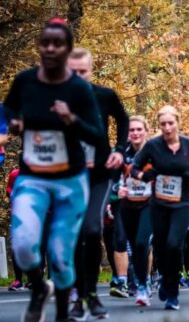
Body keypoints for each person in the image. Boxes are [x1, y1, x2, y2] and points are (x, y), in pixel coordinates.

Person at [4, 19, 104, 322]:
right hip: (32, 177)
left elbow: (98, 137)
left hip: (69, 181)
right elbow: (7, 112)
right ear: (39, 46)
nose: (50, 48)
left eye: (57, 44)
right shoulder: (25, 81)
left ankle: (62, 313)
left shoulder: (79, 89)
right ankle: (38, 287)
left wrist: (71, 119)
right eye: (45, 42)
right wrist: (13, 125)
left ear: (67, 49)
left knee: (60, 255)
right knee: (23, 244)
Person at [67, 48, 129, 321]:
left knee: (92, 229)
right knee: (75, 235)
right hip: (69, 176)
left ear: (90, 72)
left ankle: (91, 293)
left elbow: (123, 120)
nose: (78, 76)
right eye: (73, 72)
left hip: (99, 175)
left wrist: (120, 150)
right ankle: (79, 296)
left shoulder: (105, 95)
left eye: (83, 72)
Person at [132, 105, 189, 311]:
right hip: (159, 203)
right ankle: (163, 276)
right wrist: (144, 176)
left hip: (183, 203)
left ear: (177, 123)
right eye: (163, 124)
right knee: (160, 246)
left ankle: (172, 292)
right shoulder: (153, 146)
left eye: (171, 123)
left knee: (174, 244)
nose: (167, 127)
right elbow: (134, 167)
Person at [117, 116, 154, 305]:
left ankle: (143, 284)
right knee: (134, 247)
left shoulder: (155, 150)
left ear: (146, 131)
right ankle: (141, 282)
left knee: (141, 243)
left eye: (139, 129)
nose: (135, 133)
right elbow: (112, 176)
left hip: (149, 204)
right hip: (128, 205)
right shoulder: (122, 153)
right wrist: (118, 190)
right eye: (132, 130)